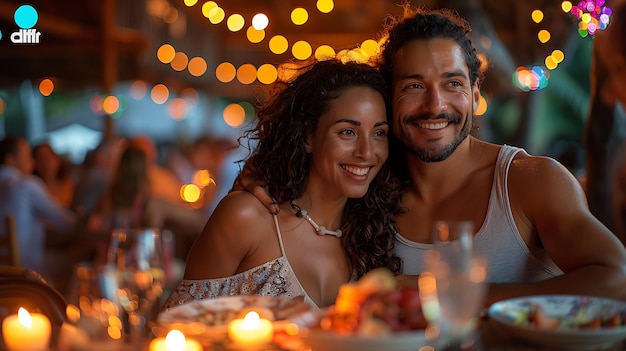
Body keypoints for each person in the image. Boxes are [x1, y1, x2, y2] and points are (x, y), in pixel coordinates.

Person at [243, 7, 626, 305]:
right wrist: (259, 180)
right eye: (413, 85)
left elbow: (616, 277)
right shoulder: (365, 185)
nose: (434, 105)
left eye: (452, 84)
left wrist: (456, 295)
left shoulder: (528, 180)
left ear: (476, 95)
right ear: (388, 96)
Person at [162, 58, 402, 310]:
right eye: (348, 132)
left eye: (379, 133)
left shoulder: (374, 238)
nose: (366, 152)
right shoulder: (246, 217)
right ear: (308, 136)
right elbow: (173, 328)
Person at [0, 136, 76, 280]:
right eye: (27, 156)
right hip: (27, 274)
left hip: (4, 277)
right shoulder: (26, 184)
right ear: (10, 160)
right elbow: (66, 223)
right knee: (84, 258)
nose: (33, 162)